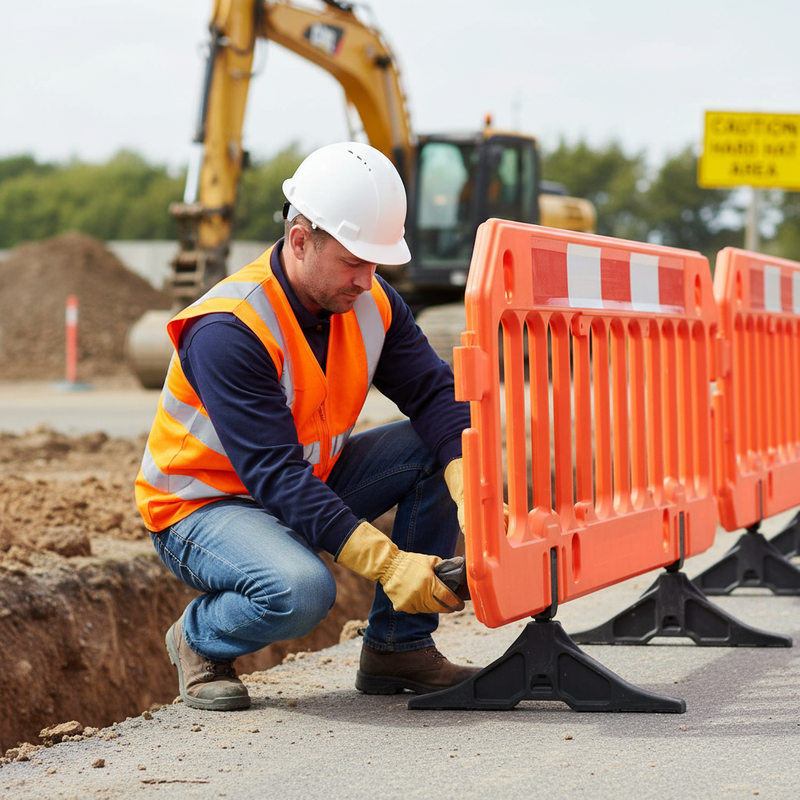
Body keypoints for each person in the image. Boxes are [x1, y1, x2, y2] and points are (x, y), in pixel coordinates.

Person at [135, 141, 478, 711]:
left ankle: (399, 649)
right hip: (202, 508)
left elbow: (435, 396)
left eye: (376, 263)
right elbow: (274, 476)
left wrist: (471, 485)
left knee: (437, 447)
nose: (367, 280)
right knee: (301, 590)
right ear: (300, 240)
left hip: (300, 482)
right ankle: (199, 640)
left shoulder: (371, 302)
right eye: (353, 262)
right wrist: (390, 564)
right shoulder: (229, 328)